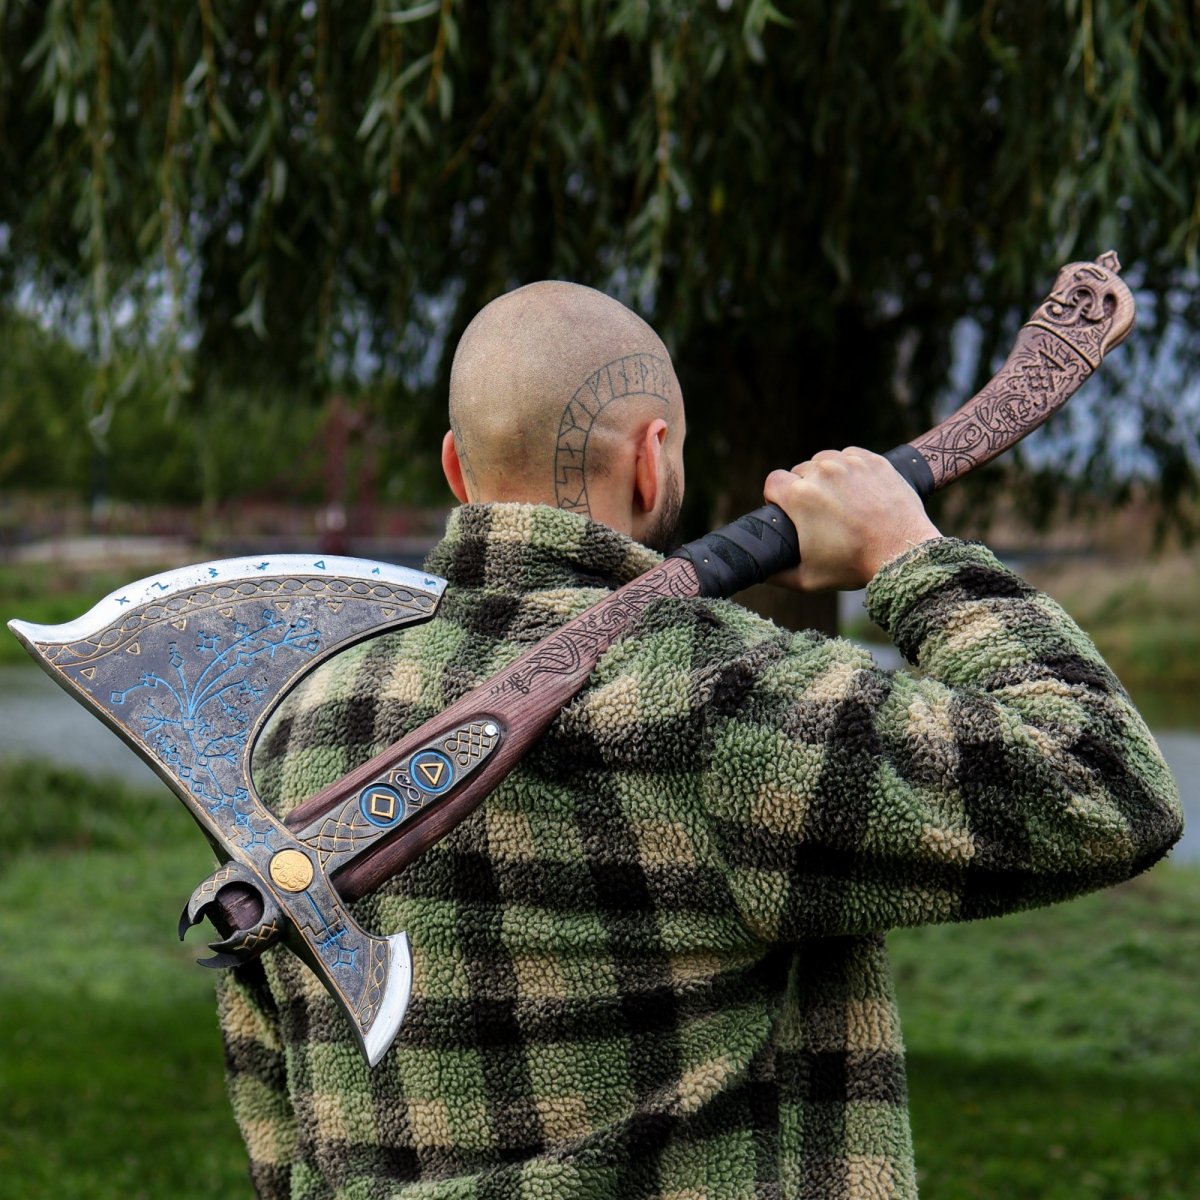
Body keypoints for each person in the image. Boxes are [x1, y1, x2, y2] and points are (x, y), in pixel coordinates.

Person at [220, 281, 1182, 1199]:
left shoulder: (295, 728)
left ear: (455, 469)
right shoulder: (723, 701)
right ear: (655, 458)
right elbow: (1105, 782)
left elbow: (272, 1106)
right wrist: (909, 555)